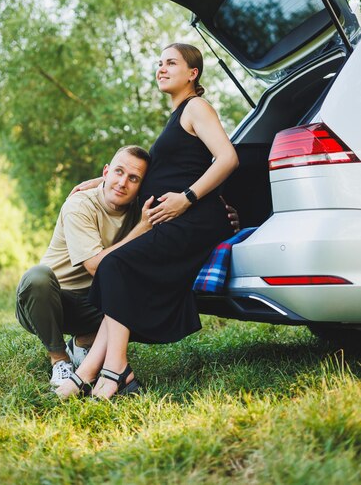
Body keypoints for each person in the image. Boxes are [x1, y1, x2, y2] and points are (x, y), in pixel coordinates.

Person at [56, 42, 239, 400]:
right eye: (159, 63)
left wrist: (186, 199)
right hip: (176, 219)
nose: (162, 68)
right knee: (118, 267)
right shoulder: (176, 118)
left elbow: (228, 158)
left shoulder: (196, 107)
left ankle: (115, 369)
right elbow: (156, 171)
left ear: (193, 73)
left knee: (117, 265)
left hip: (194, 218)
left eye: (171, 63)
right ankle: (90, 371)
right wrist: (102, 180)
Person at [15, 145, 154, 387]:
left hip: (95, 302)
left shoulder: (139, 209)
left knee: (149, 298)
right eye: (118, 172)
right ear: (106, 171)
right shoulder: (79, 205)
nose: (123, 183)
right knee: (37, 276)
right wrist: (140, 230)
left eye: (133, 178)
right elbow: (95, 266)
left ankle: (81, 343)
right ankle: (60, 360)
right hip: (52, 303)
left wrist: (224, 214)